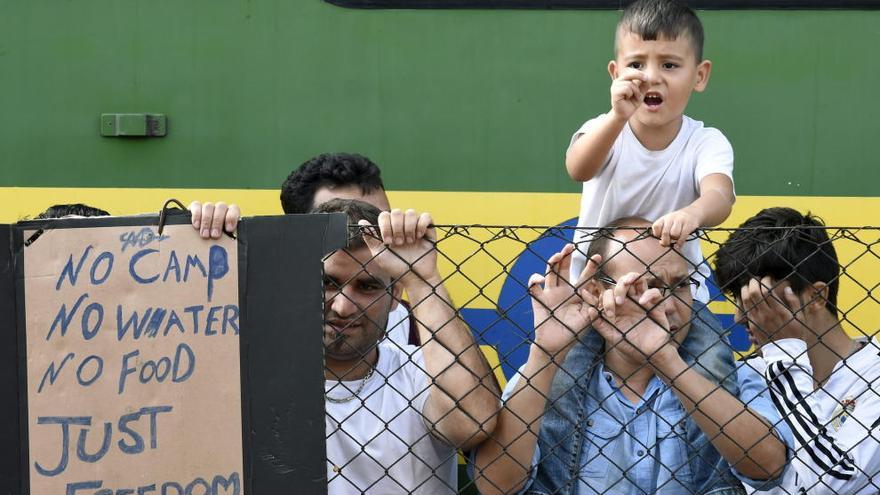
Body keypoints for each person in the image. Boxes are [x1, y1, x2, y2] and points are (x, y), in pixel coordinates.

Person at [474, 217, 793, 495]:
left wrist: (665, 360)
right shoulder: (544, 380)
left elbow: (769, 468)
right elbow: (495, 486)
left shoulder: (733, 378)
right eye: (647, 285)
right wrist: (546, 354)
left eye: (681, 285)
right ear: (597, 293)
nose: (667, 305)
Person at [316, 198, 500, 494]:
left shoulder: (421, 373)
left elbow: (472, 422)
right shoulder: (257, 379)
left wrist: (423, 280)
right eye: (328, 282)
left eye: (367, 286)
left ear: (394, 296)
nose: (343, 306)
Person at [714, 207, 880, 494]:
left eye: (758, 302)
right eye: (739, 300)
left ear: (816, 296)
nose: (740, 318)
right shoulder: (746, 375)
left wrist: (785, 353)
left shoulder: (874, 376)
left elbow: (826, 486)